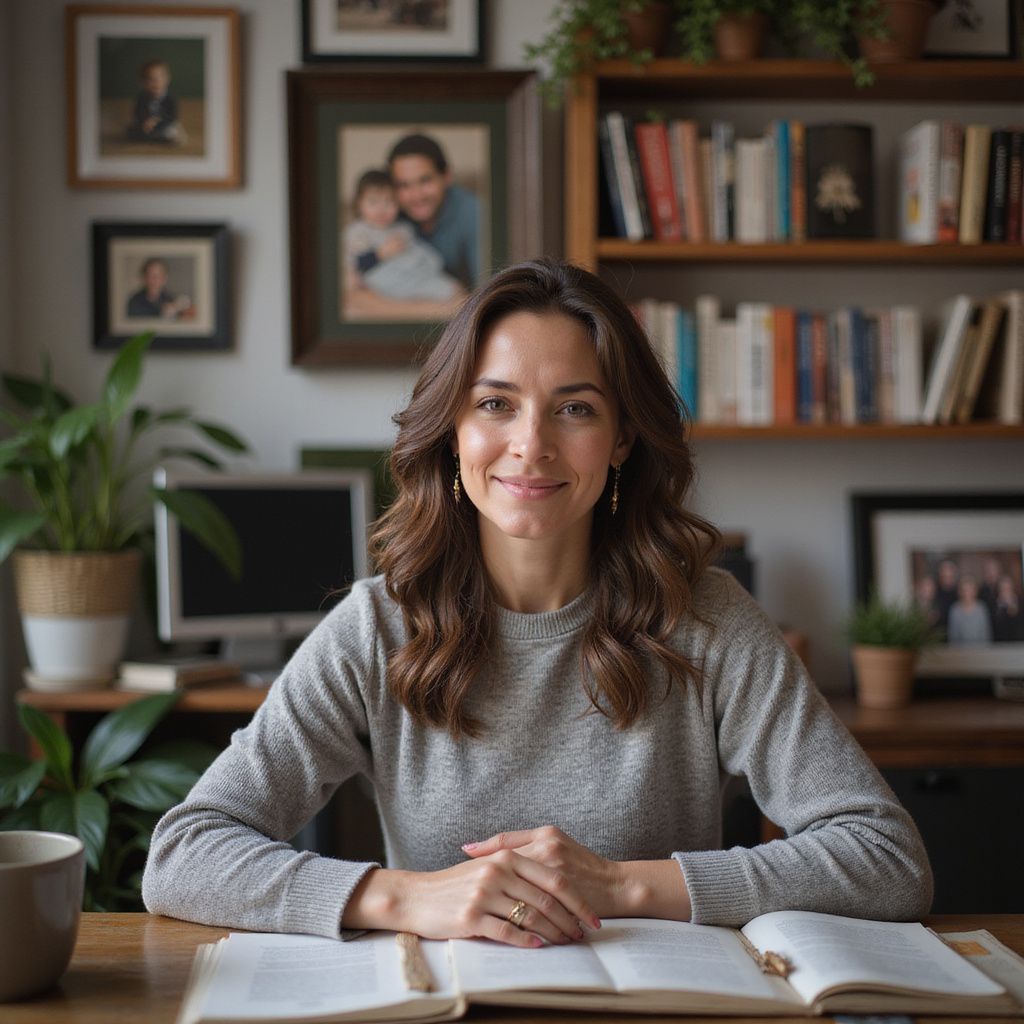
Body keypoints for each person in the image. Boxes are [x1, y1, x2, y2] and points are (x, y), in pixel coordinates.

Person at [143, 259, 931, 945]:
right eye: (495, 404)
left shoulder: (709, 619)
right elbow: (185, 854)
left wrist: (622, 886)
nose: (532, 444)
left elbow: (886, 858)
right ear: (453, 428)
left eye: (576, 408)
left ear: (622, 438)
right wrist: (408, 896)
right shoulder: (375, 627)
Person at [344, 169, 463, 304]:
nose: (382, 209)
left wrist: (433, 263)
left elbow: (419, 249)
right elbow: (356, 264)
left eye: (389, 202)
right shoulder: (358, 232)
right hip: (385, 277)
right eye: (373, 202)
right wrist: (381, 253)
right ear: (359, 205)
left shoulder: (402, 227)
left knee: (454, 287)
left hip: (416, 271)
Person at [388, 133, 480, 288]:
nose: (416, 196)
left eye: (425, 181)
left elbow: (493, 296)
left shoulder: (475, 214)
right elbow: (351, 293)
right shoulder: (387, 213)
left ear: (447, 176)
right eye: (404, 185)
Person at [126, 59, 186, 145]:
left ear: (167, 79)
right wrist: (144, 121)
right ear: (143, 83)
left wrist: (158, 121)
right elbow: (137, 112)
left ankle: (159, 137)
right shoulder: (141, 97)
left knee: (173, 130)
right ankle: (154, 137)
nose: (156, 82)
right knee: (132, 129)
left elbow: (173, 116)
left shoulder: (171, 98)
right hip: (147, 124)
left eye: (160, 77)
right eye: (150, 79)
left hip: (164, 123)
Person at [125, 257, 190, 319]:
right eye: (150, 275)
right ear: (144, 277)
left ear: (164, 278)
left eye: (157, 276)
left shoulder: (172, 300)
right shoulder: (134, 301)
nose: (153, 280)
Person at [947, 575, 992, 645]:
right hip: (959, 653)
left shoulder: (982, 608)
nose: (967, 593)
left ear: (974, 591)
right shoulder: (954, 610)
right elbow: (953, 636)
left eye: (970, 590)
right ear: (960, 592)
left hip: (980, 652)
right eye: (964, 590)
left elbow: (986, 634)